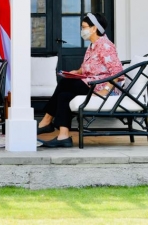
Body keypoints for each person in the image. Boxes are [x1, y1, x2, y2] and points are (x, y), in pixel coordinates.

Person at [38, 13, 123, 148]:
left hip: (103, 88)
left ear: (94, 28)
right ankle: (63, 136)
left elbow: (117, 72)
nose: (82, 31)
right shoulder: (92, 46)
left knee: (65, 83)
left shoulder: (105, 46)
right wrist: (76, 72)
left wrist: (105, 91)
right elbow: (87, 68)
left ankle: (47, 120)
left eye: (84, 27)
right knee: (64, 96)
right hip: (90, 84)